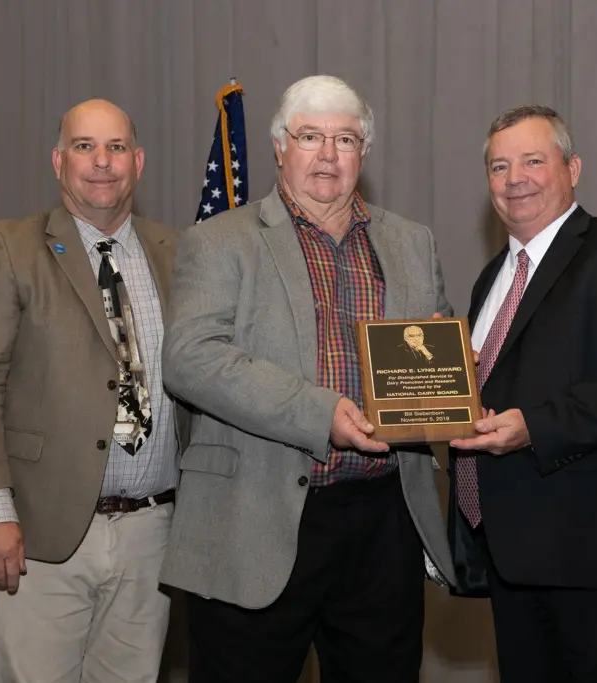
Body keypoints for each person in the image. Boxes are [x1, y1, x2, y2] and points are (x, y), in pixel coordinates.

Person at [159, 75, 456, 683]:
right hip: (253, 521)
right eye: (310, 136)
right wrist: (319, 413)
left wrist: (449, 372)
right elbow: (190, 356)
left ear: (364, 153)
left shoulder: (411, 243)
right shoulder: (219, 241)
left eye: (345, 139)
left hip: (383, 522)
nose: (328, 154)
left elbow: (431, 359)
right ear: (278, 146)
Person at [0, 98, 188, 682]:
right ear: (58, 162)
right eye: (85, 147)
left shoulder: (178, 253)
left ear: (140, 161)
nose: (101, 162)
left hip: (152, 537)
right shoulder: (9, 247)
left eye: (116, 147)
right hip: (37, 538)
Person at [447, 104, 597, 683]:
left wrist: (536, 424)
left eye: (533, 160)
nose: (515, 179)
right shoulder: (489, 279)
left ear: (572, 168)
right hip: (510, 554)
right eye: (499, 167)